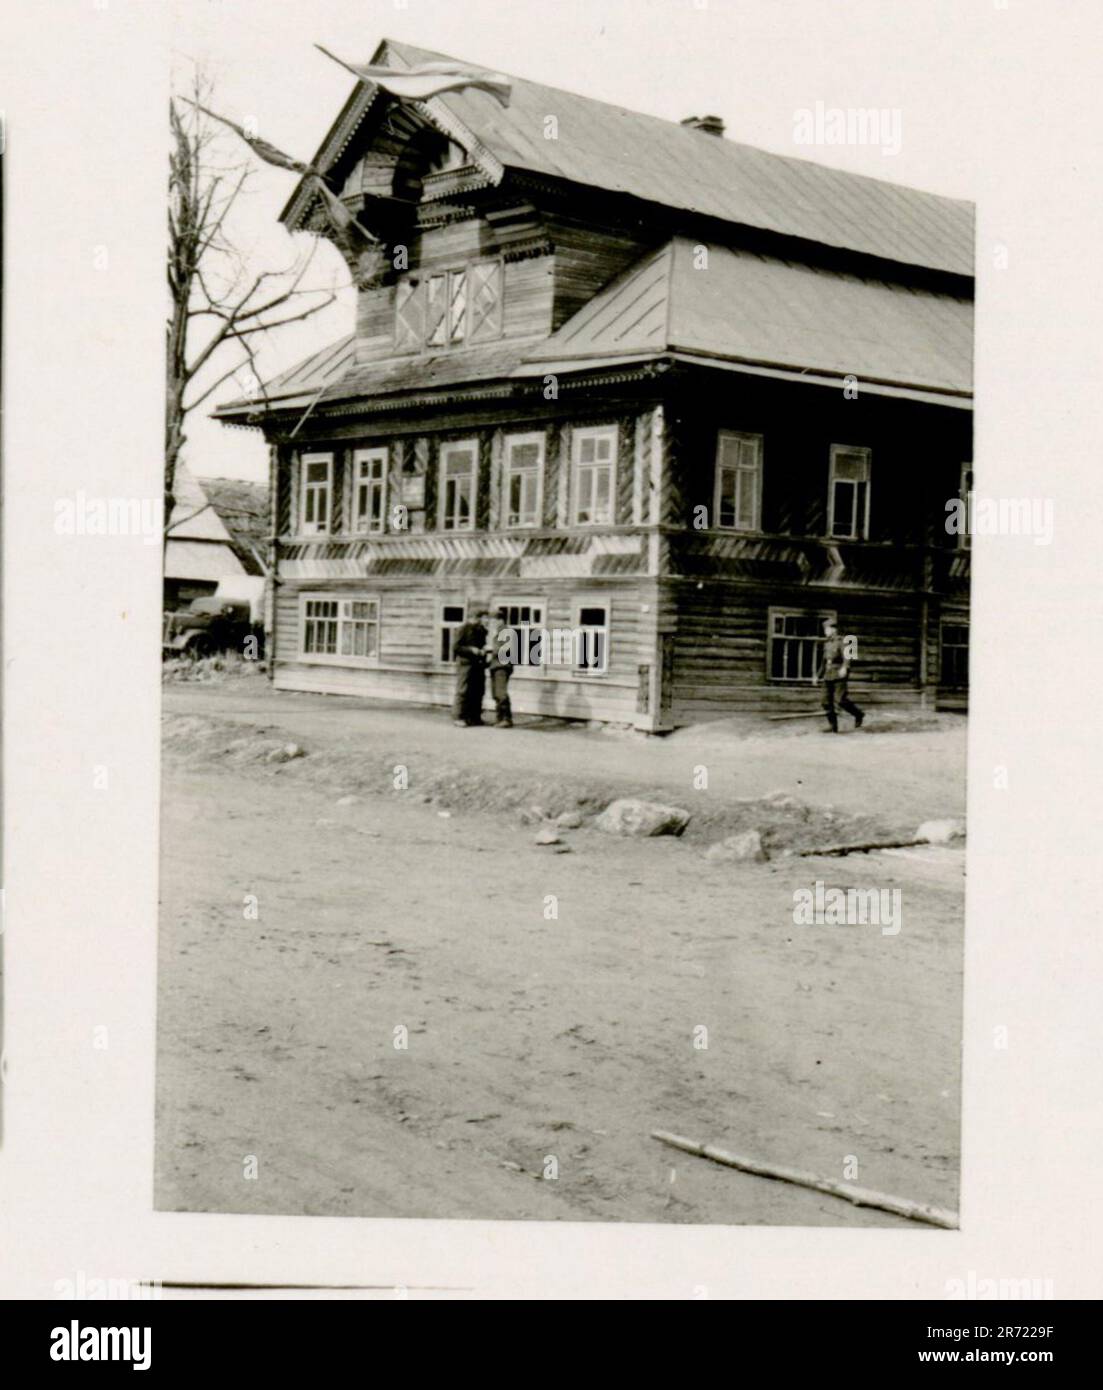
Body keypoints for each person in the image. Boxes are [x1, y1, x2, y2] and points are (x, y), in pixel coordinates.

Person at [820, 618, 865, 732]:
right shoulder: (826, 644)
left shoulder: (842, 641)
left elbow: (847, 656)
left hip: (839, 674)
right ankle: (833, 726)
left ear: (833, 629)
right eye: (825, 629)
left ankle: (858, 714)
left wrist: (845, 667)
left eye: (827, 629)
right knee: (825, 701)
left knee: (840, 700)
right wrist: (817, 675)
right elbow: (824, 662)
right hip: (828, 675)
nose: (825, 631)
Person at [451, 607, 490, 726]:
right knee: (463, 690)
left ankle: (474, 717)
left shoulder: (482, 630)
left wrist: (484, 651)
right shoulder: (462, 629)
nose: (483, 620)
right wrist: (472, 650)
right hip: (465, 665)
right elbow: (456, 647)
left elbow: (482, 645)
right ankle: (459, 717)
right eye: (480, 618)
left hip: (478, 665)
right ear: (473, 618)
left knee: (478, 691)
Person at [485, 607, 515, 727]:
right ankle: (500, 718)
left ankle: (506, 719)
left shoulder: (506, 632)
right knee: (495, 693)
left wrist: (491, 649)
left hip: (502, 666)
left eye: (492, 620)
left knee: (500, 693)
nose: (491, 623)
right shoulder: (498, 632)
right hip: (495, 665)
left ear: (499, 620)